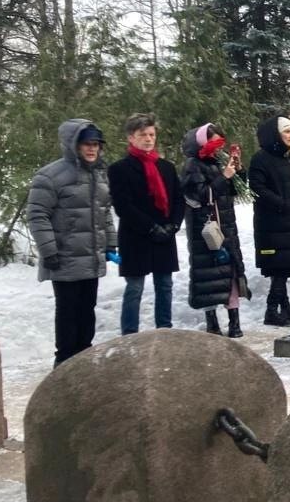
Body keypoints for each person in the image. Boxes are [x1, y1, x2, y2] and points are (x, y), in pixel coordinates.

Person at [27, 120, 118, 365]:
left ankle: (84, 359)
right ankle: (65, 361)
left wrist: (110, 244)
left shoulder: (99, 175)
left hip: (90, 257)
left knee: (87, 309)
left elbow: (104, 212)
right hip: (64, 258)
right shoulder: (50, 175)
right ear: (73, 144)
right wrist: (49, 250)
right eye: (86, 144)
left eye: (96, 144)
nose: (92, 149)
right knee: (68, 312)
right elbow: (37, 214)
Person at [108, 114, 184, 335]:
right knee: (135, 288)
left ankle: (164, 329)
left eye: (152, 134)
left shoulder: (166, 167)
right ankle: (130, 334)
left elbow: (178, 198)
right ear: (131, 138)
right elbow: (123, 205)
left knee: (165, 285)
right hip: (136, 235)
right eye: (143, 135)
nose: (149, 139)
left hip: (165, 234)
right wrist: (150, 227)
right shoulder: (119, 169)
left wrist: (174, 225)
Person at [180, 123, 249, 337]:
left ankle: (234, 321)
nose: (219, 147)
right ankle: (212, 322)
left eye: (221, 142)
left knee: (231, 271)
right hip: (206, 228)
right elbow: (199, 196)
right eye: (214, 142)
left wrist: (238, 171)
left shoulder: (220, 161)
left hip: (227, 225)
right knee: (208, 275)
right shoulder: (192, 165)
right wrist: (224, 177)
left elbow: (236, 192)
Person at [248, 115, 290, 326]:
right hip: (273, 225)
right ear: (275, 134)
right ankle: (273, 310)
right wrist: (281, 203)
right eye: (287, 132)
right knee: (279, 269)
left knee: (287, 268)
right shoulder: (261, 159)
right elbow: (257, 188)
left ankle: (285, 310)